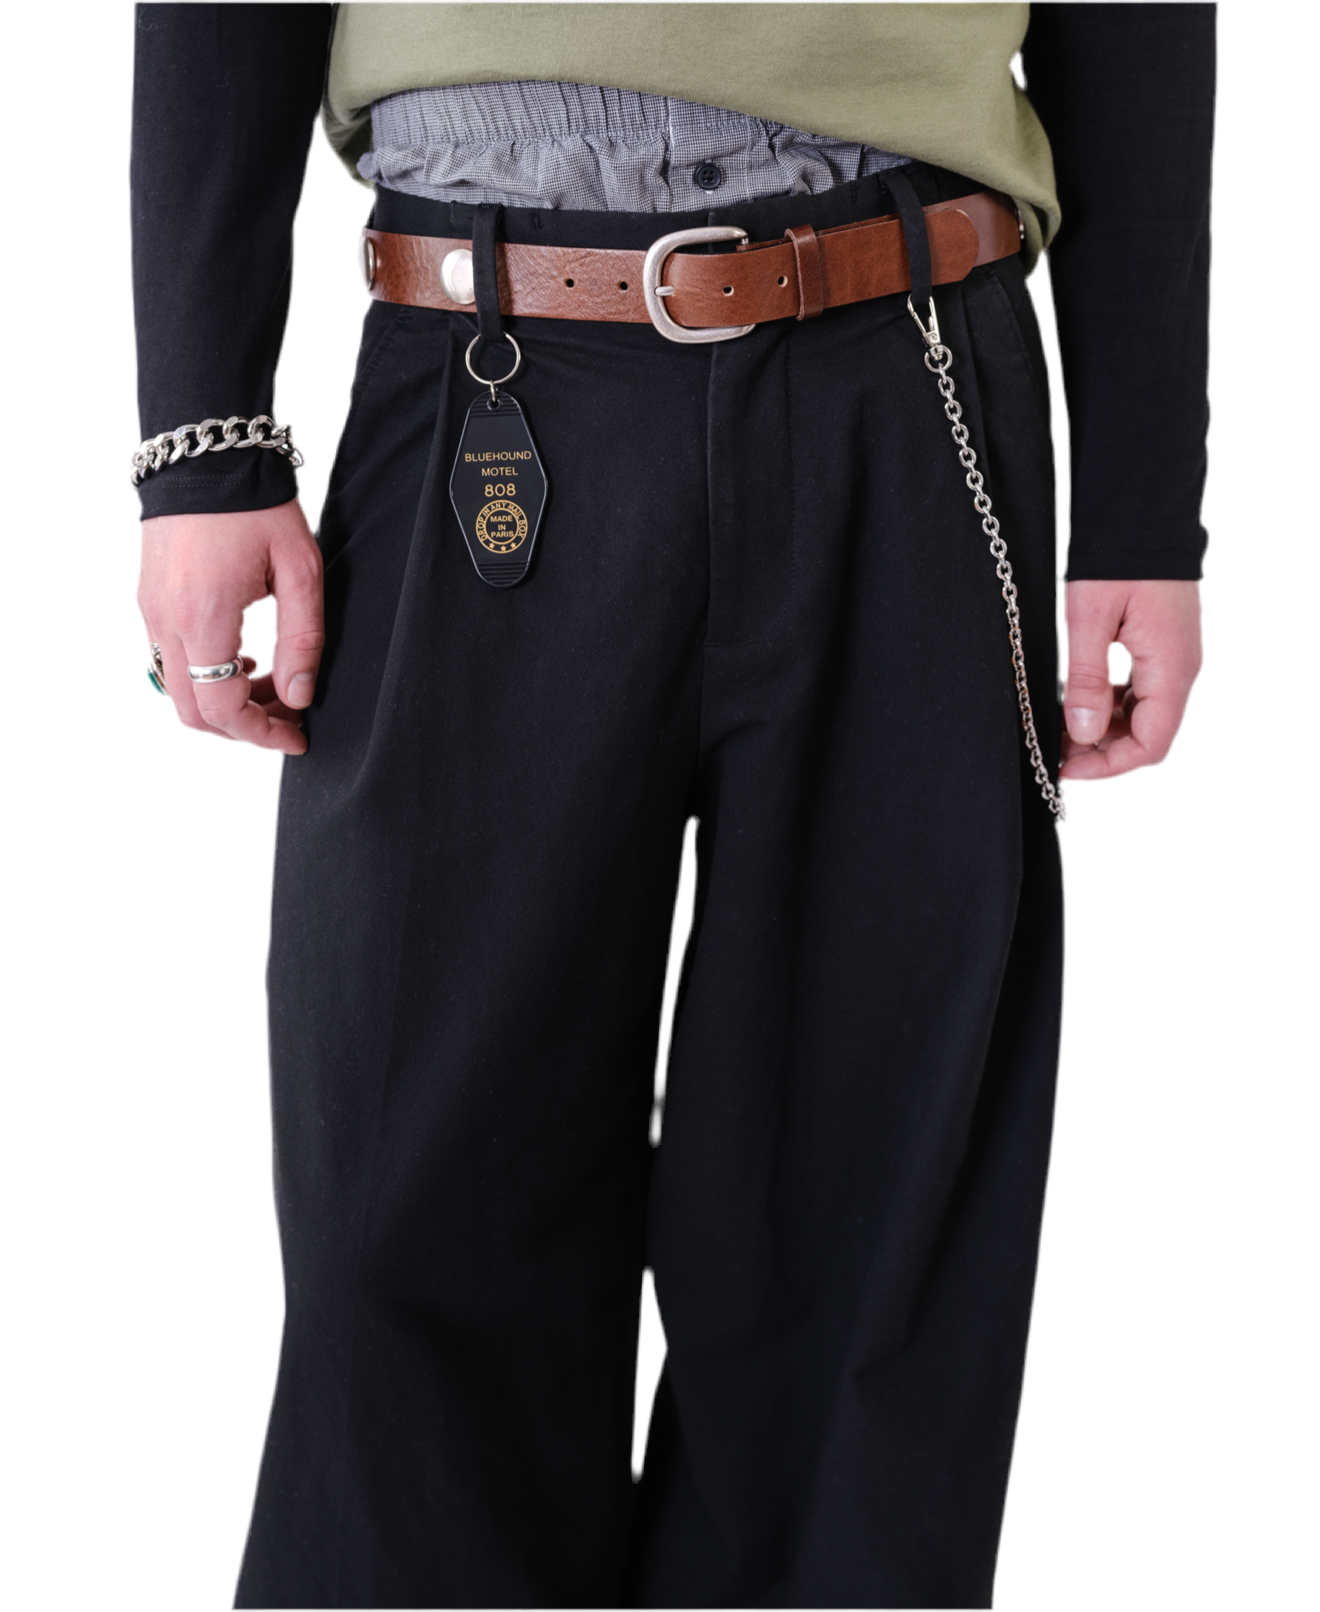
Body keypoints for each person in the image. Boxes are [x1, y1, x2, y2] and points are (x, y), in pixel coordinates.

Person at [131, 4, 1213, 1606]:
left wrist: (1143, 495)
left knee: (860, 1253)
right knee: (409, 1219)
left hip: (910, 361)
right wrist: (200, 441)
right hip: (478, 345)